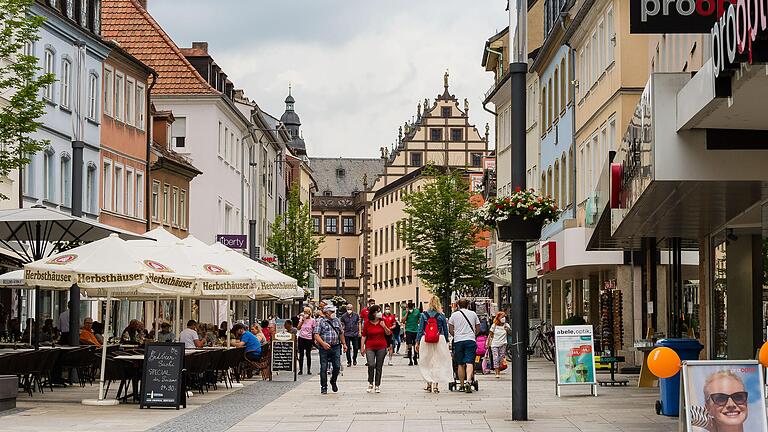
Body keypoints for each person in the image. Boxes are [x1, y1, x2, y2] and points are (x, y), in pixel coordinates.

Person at [415, 296, 452, 393]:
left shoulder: (424, 315)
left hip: (426, 339)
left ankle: (428, 384)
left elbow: (420, 329)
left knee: (426, 361)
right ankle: (436, 385)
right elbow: (445, 329)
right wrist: (447, 341)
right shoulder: (441, 315)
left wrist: (417, 341)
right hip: (439, 339)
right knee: (437, 361)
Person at [448, 298, 480, 393]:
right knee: (470, 362)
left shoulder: (454, 315)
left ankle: (461, 385)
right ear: (468, 305)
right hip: (470, 340)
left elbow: (450, 329)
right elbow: (478, 327)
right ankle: (469, 382)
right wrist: (473, 335)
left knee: (460, 364)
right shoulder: (473, 314)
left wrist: (456, 335)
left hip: (458, 341)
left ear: (458, 305)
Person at [313, 304, 346, 394]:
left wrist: (344, 344)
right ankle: (324, 386)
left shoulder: (337, 321)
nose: (333, 313)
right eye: (331, 311)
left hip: (336, 346)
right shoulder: (320, 321)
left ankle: (333, 381)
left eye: (334, 311)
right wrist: (323, 343)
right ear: (326, 312)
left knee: (337, 366)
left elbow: (341, 333)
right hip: (324, 347)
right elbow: (316, 334)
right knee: (323, 367)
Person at [361, 304, 390, 393]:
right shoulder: (367, 323)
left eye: (380, 311)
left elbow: (388, 333)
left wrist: (384, 326)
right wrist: (362, 347)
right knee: (371, 364)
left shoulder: (383, 321)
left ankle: (377, 385)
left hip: (381, 346)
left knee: (379, 366)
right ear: (373, 313)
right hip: (370, 346)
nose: (380, 313)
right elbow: (364, 336)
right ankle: (370, 382)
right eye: (378, 311)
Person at [487, 312, 512, 378]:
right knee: (495, 358)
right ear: (498, 318)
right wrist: (488, 343)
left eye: (504, 317)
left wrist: (508, 330)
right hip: (494, 344)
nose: (503, 318)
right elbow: (490, 334)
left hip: (503, 344)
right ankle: (497, 372)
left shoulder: (506, 325)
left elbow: (511, 333)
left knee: (501, 358)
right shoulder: (494, 325)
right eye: (502, 317)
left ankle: (499, 369)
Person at [297, 307, 315, 375]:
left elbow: (314, 329)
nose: (305, 314)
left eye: (307, 312)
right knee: (301, 354)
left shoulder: (312, 320)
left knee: (308, 354)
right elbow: (298, 327)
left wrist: (314, 339)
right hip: (301, 337)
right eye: (304, 312)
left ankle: (308, 369)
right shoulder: (302, 319)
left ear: (310, 313)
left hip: (308, 338)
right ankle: (300, 370)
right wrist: (302, 321)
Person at [402, 302, 421, 366]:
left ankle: (415, 358)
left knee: (415, 345)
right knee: (409, 345)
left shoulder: (417, 311)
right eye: (408, 307)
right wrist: (407, 313)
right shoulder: (405, 312)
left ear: (413, 307)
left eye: (411, 308)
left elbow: (420, 319)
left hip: (415, 330)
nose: (410, 309)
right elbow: (403, 321)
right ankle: (410, 360)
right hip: (408, 330)